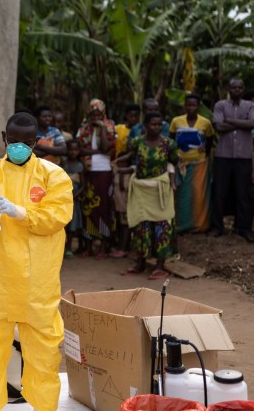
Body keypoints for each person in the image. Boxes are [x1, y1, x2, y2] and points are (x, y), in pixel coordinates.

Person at [0, 112, 73, 411]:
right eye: (14, 142)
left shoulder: (54, 176)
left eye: (27, 143)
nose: (20, 148)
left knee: (43, 343)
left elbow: (57, 215)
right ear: (4, 138)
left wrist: (22, 212)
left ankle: (44, 407)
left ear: (36, 142)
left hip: (38, 277)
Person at [118, 112, 178, 280]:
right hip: (141, 189)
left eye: (160, 124)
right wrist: (121, 166)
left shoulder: (169, 144)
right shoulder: (136, 142)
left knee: (162, 225)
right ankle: (140, 263)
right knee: (141, 226)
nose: (157, 127)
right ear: (145, 126)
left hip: (160, 189)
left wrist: (173, 184)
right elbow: (131, 160)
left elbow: (173, 163)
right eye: (153, 124)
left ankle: (160, 265)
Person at [211, 78, 254, 240]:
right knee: (219, 192)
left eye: (240, 88)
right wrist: (243, 123)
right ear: (228, 89)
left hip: (243, 157)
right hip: (223, 156)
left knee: (243, 193)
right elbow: (218, 126)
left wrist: (230, 120)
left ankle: (243, 228)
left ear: (243, 89)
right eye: (233, 87)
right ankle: (217, 227)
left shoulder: (250, 105)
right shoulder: (220, 105)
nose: (237, 90)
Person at [76, 99, 116, 257]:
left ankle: (104, 245)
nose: (95, 117)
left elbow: (107, 148)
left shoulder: (110, 126)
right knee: (87, 207)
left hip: (104, 170)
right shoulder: (83, 127)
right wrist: (97, 151)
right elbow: (79, 150)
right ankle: (88, 245)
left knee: (104, 206)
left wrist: (101, 127)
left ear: (103, 113)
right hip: (87, 170)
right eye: (93, 114)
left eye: (98, 114)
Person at [169, 93, 215, 233]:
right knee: (181, 194)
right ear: (185, 106)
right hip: (180, 164)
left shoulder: (205, 122)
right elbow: (171, 141)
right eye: (188, 105)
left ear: (198, 106)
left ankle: (199, 225)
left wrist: (204, 148)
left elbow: (210, 141)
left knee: (198, 194)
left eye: (194, 105)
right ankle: (180, 225)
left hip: (199, 164)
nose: (191, 108)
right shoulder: (176, 121)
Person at [112, 104, 141, 257]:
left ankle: (125, 247)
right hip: (121, 158)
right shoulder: (119, 129)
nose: (133, 118)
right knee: (120, 224)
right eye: (130, 115)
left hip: (126, 203)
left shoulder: (140, 131)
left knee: (126, 224)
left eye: (136, 115)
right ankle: (122, 246)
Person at [63, 139, 86, 256]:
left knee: (73, 223)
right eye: (70, 149)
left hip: (74, 200)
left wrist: (75, 196)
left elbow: (83, 185)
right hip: (63, 199)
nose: (73, 152)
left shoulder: (80, 165)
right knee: (63, 224)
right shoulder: (64, 164)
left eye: (75, 150)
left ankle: (69, 248)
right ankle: (62, 246)